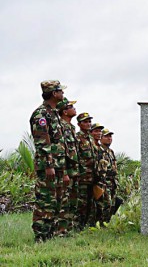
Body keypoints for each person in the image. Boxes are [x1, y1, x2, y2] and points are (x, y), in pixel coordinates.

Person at [29, 80, 70, 241]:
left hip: (58, 166)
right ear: (54, 93)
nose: (63, 94)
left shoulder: (54, 114)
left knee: (56, 202)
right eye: (61, 91)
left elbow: (60, 145)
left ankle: (50, 234)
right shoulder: (41, 115)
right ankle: (41, 236)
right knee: (45, 201)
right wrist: (48, 166)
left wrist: (63, 169)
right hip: (49, 167)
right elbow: (43, 143)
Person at [57, 97, 80, 230]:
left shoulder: (70, 127)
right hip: (66, 171)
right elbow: (62, 152)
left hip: (74, 171)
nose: (74, 108)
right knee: (64, 200)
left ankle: (68, 228)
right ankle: (60, 229)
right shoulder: (61, 127)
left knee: (72, 201)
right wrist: (64, 172)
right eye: (71, 107)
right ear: (64, 112)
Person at [76, 112, 97, 228]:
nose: (88, 124)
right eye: (85, 121)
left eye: (89, 121)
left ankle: (89, 225)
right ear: (79, 124)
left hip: (93, 176)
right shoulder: (77, 138)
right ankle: (79, 226)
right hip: (82, 177)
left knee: (91, 202)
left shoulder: (91, 138)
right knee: (81, 203)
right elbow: (75, 158)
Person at [90, 123, 110, 224]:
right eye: (96, 131)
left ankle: (101, 224)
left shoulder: (99, 147)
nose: (99, 133)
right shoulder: (90, 145)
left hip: (100, 180)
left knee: (104, 204)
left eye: (100, 131)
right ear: (91, 132)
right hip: (90, 179)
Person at [100, 128, 121, 220]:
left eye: (110, 136)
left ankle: (106, 223)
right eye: (106, 136)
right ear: (101, 138)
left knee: (113, 204)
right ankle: (100, 224)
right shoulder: (99, 151)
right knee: (105, 205)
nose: (109, 138)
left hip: (112, 183)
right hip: (104, 182)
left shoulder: (110, 152)